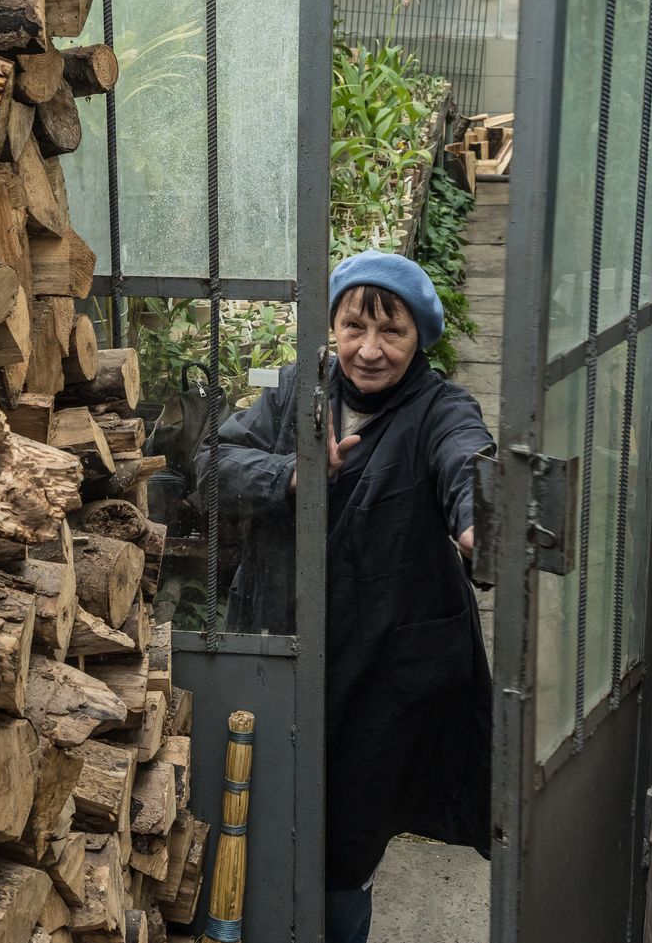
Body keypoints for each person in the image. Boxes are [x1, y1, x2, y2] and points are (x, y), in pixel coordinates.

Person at [197, 249, 494, 943]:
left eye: (391, 330)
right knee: (264, 820)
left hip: (380, 676)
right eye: (353, 325)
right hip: (285, 646)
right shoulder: (303, 391)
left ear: (421, 335)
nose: (368, 349)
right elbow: (213, 465)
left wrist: (481, 517)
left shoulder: (437, 409)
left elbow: (465, 455)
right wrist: (293, 474)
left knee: (345, 854)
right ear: (331, 325)